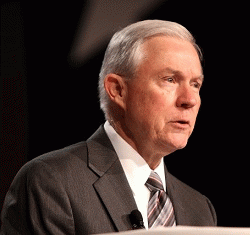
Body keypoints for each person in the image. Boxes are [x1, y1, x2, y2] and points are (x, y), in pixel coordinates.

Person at [1, 20, 216, 234]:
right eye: (170, 79)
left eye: (195, 84)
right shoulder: (52, 183)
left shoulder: (199, 209)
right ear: (118, 90)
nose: (190, 100)